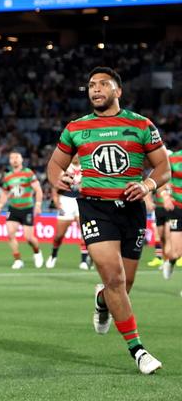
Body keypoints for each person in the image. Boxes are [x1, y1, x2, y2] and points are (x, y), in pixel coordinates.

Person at [47, 66, 168, 375]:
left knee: (123, 285)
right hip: (94, 208)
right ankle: (138, 350)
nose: (96, 89)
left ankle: (102, 300)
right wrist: (58, 180)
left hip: (131, 210)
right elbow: (55, 165)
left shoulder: (141, 125)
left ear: (118, 91)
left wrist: (146, 186)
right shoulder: (76, 128)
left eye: (103, 84)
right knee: (114, 278)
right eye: (91, 85)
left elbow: (163, 168)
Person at [0, 152, 44, 269]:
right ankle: (18, 260)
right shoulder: (8, 176)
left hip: (27, 208)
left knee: (29, 238)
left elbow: (38, 189)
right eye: (12, 158)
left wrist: (38, 205)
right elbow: (5, 192)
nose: (14, 160)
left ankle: (37, 252)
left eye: (17, 157)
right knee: (10, 234)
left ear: (21, 160)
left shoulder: (28, 173)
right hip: (12, 209)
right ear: (9, 161)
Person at [47, 159, 91, 269]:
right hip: (66, 201)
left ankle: (84, 260)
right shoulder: (64, 167)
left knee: (85, 233)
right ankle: (53, 255)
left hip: (81, 201)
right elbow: (55, 186)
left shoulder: (86, 167)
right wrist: (56, 201)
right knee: (59, 235)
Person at [159, 146, 182, 279]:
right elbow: (161, 178)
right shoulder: (173, 158)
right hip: (177, 208)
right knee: (177, 253)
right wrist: (166, 196)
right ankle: (171, 260)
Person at [146, 189, 168, 268]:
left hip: (173, 208)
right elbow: (149, 190)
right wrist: (149, 201)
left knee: (170, 234)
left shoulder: (175, 180)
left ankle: (177, 257)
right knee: (158, 234)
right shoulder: (159, 178)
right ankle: (159, 258)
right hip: (158, 209)